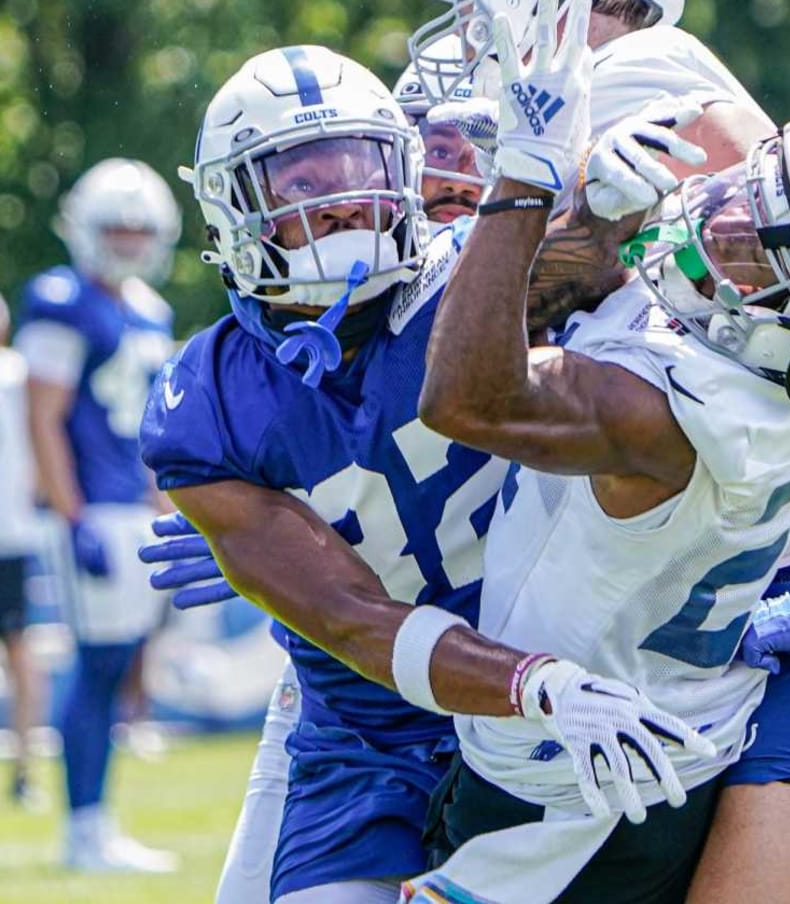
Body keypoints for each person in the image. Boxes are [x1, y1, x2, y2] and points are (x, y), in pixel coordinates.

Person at [406, 0, 790, 904]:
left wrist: (532, 179)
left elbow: (467, 393)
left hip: (596, 778)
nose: (722, 210)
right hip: (640, 732)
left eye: (760, 236)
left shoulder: (679, 404)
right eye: (748, 190)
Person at [138, 44, 714, 904]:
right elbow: (355, 621)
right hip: (372, 732)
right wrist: (531, 685)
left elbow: (581, 247)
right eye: (299, 186)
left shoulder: (469, 282)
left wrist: (604, 198)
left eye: (355, 171)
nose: (339, 205)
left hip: (565, 682)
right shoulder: (208, 403)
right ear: (232, 210)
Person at [14, 158, 180, 870]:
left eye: (139, 228)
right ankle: (85, 830)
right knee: (97, 664)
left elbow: (149, 428)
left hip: (132, 510)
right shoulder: (60, 298)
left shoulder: (150, 308)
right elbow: (43, 416)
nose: (128, 240)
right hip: (89, 513)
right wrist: (70, 512)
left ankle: (95, 826)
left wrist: (162, 505)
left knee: (118, 667)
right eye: (115, 226)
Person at [0, 291, 43, 809]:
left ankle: (26, 765)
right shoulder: (20, 373)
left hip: (12, 530)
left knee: (23, 653)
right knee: (21, 653)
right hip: (15, 529)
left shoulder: (17, 374)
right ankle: (24, 767)